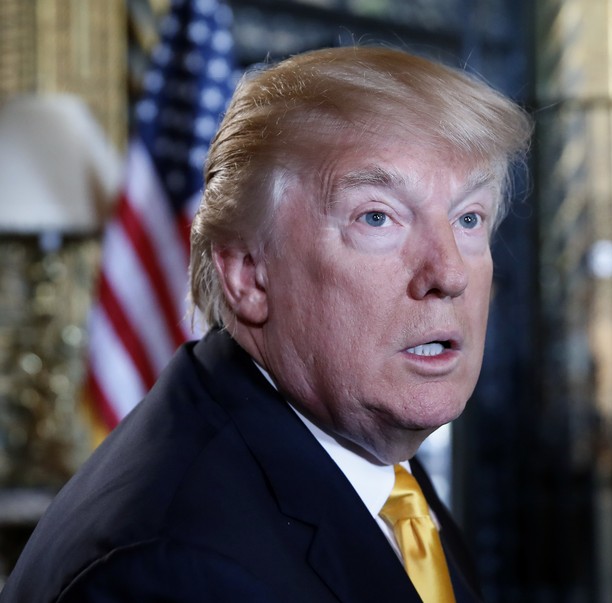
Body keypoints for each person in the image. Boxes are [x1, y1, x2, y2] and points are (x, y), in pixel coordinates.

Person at [1, 46, 531, 602]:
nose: (449, 273)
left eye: (469, 218)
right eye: (376, 216)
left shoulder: (370, 460)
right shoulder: (173, 568)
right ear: (249, 275)